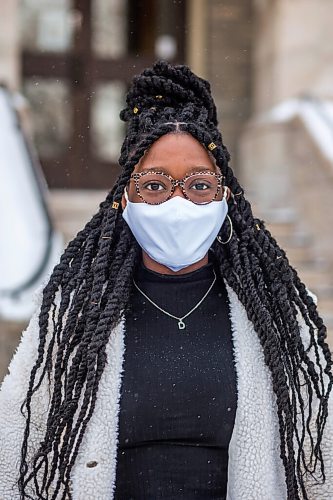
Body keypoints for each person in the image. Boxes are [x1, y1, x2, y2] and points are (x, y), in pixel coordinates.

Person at [0, 60, 332, 500]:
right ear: (124, 199)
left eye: (198, 185)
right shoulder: (75, 311)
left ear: (226, 197)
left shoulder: (278, 312)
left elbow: (318, 461)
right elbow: (17, 454)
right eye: (155, 186)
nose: (179, 203)